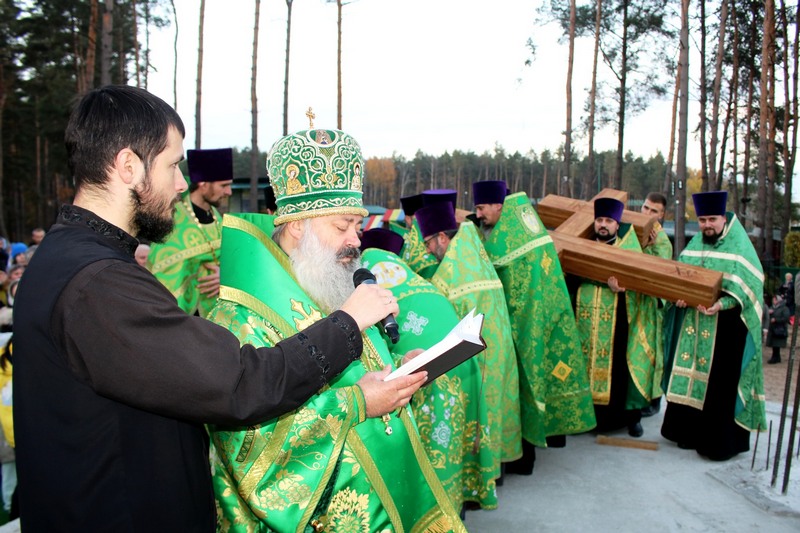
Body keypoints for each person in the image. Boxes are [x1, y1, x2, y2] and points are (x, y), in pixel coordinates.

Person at [12, 85, 402, 531]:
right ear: (127, 166)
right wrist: (348, 324)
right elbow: (238, 383)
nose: (182, 184)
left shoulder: (77, 259)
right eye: (173, 165)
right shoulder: (99, 283)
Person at [206, 128, 465, 532]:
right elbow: (248, 447)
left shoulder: (325, 281)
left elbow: (356, 371)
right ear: (297, 226)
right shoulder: (239, 318)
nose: (355, 241)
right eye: (342, 226)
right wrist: (358, 404)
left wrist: (399, 369)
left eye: (356, 226)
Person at [359, 227, 497, 512]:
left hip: (424, 372)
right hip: (459, 358)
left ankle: (431, 511)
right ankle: (455, 506)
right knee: (451, 442)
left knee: (429, 458)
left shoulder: (366, 281)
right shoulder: (416, 279)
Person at [473, 180, 595, 474]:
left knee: (524, 384)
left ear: (498, 206)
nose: (478, 214)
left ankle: (523, 457)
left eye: (481, 207)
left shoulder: (511, 239)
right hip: (531, 323)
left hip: (523, 326)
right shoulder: (520, 225)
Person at [416, 201, 522, 490]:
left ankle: (476, 480)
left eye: (428, 242)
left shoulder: (448, 276)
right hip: (497, 354)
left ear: (442, 237)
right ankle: (492, 471)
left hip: (474, 360)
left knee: (474, 412)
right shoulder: (476, 256)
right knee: (493, 409)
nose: (427, 250)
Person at [661, 191, 766, 461]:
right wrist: (679, 299)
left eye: (712, 219)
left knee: (718, 385)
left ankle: (717, 442)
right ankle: (687, 433)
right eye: (702, 219)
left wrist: (722, 305)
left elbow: (750, 289)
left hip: (726, 331)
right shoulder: (696, 244)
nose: (707, 225)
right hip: (693, 326)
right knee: (689, 373)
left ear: (724, 218)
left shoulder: (740, 247)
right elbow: (680, 279)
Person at [571, 198, 656, 438]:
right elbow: (568, 278)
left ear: (617, 225)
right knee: (582, 366)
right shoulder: (580, 247)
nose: (603, 225)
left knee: (620, 366)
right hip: (584, 322)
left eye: (609, 221)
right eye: (599, 220)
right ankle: (584, 418)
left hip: (618, 321)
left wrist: (624, 289)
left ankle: (627, 418)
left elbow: (642, 287)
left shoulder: (629, 251)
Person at [148, 147, 233, 317]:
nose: (229, 192)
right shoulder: (173, 218)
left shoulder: (218, 219)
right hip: (181, 318)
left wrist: (226, 276)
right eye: (223, 185)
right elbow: (162, 268)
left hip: (219, 318)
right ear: (203, 183)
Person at [640, 192, 673, 417]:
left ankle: (653, 398)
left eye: (654, 211)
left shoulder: (662, 241)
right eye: (645, 208)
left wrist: (647, 248)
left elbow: (658, 275)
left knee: (652, 352)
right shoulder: (633, 230)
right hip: (633, 300)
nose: (648, 214)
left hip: (651, 305)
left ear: (661, 215)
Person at [766, 293, 790, 364]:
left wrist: (776, 319)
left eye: (775, 300)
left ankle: (775, 357)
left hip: (779, 329)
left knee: (777, 344)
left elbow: (786, 318)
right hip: (772, 329)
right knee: (774, 345)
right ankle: (776, 357)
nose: (773, 301)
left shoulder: (784, 308)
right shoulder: (772, 307)